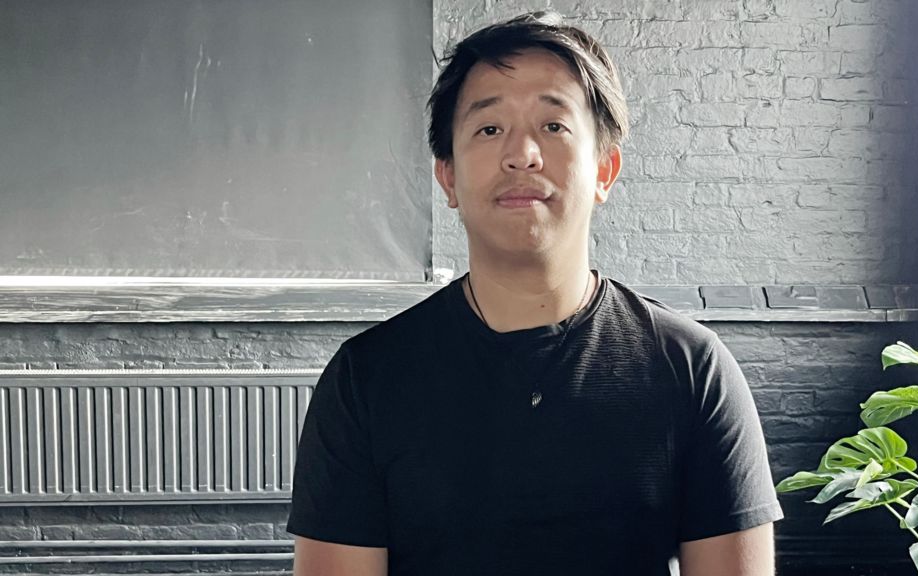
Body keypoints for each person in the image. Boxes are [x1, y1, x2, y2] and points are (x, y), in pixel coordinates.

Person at [288, 11, 782, 576]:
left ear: (605, 170)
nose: (522, 154)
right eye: (489, 128)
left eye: (553, 126)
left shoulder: (692, 369)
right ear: (447, 177)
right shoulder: (366, 379)